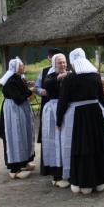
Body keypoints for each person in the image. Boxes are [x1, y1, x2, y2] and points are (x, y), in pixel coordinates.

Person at [56, 48, 104, 195]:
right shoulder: (95, 76)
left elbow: (62, 102)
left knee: (82, 148)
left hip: (79, 117)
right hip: (95, 115)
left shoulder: (69, 79)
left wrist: (58, 120)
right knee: (97, 146)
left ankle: (84, 182)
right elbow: (103, 98)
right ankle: (100, 180)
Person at [0, 57, 35, 179]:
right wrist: (31, 91)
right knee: (15, 136)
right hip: (13, 111)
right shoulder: (10, 81)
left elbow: (22, 91)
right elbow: (18, 98)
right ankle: (14, 170)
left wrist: (28, 87)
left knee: (23, 134)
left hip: (20, 110)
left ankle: (23, 162)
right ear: (16, 68)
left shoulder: (18, 78)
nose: (23, 67)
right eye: (21, 65)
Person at [41, 53, 70, 188]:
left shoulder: (70, 75)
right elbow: (46, 85)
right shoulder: (50, 77)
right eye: (60, 63)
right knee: (55, 141)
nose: (63, 65)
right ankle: (56, 173)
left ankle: (67, 170)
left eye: (64, 62)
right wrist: (59, 77)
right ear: (54, 64)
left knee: (66, 141)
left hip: (67, 111)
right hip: (53, 111)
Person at [35, 47, 63, 176]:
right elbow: (37, 87)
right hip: (48, 102)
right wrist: (42, 92)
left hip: (61, 104)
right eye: (52, 57)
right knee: (48, 135)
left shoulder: (66, 71)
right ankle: (47, 167)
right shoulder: (45, 71)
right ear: (49, 59)